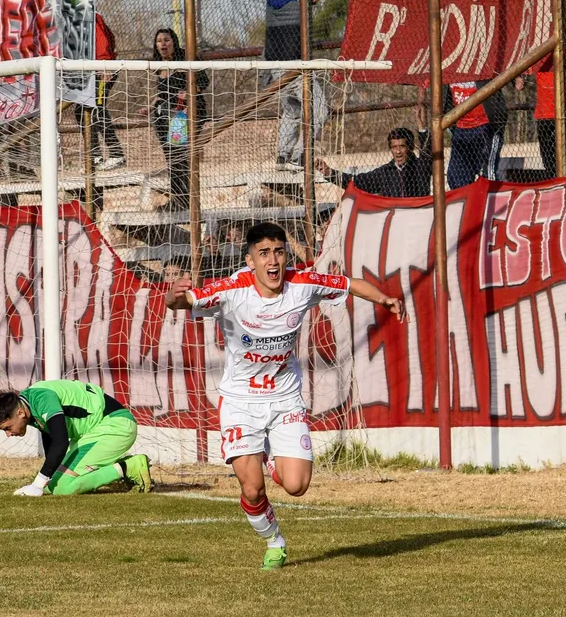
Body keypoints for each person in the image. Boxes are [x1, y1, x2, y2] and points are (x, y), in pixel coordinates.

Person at [164, 221, 405, 570]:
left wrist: (383, 298)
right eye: (263, 253)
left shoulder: (302, 283)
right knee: (252, 490)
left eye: (278, 252)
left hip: (285, 398)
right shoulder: (233, 290)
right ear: (250, 261)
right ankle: (274, 541)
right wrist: (174, 294)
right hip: (241, 401)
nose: (273, 260)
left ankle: (270, 459)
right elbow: (181, 302)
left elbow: (349, 284)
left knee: (297, 485)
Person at [0, 379, 151, 496]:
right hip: (100, 429)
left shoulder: (41, 399)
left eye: (7, 428)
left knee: (62, 487)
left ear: (20, 413)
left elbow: (60, 441)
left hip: (116, 425)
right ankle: (120, 468)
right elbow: (51, 438)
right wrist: (46, 479)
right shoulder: (29, 401)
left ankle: (130, 466)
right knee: (53, 485)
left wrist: (37, 484)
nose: (8, 434)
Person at [265, 0, 349, 170]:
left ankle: (282, 156)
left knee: (292, 111)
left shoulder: (272, 1)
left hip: (274, 68)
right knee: (319, 109)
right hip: (294, 67)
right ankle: (300, 155)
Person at [146, 28, 210, 210]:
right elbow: (164, 93)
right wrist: (151, 105)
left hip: (183, 114)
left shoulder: (186, 58)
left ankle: (185, 200)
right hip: (164, 114)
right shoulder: (160, 65)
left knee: (179, 154)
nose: (163, 44)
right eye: (159, 41)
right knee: (170, 155)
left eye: (166, 40)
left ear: (174, 42)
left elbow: (203, 82)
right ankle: (177, 198)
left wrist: (189, 93)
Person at [314, 105, 432, 197]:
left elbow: (427, 153)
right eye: (394, 147)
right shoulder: (385, 172)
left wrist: (421, 127)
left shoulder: (420, 167)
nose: (398, 151)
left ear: (410, 147)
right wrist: (329, 172)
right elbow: (357, 183)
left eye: (402, 146)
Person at [75, 13, 125, 171]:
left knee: (97, 108)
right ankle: (94, 155)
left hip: (102, 69)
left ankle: (116, 153)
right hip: (87, 71)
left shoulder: (89, 14)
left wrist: (105, 62)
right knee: (80, 110)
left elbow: (103, 38)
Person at [442, 81, 508, 187]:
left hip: (486, 124)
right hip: (461, 127)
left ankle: (488, 196)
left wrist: (518, 79)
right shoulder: (448, 72)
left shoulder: (483, 70)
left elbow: (505, 72)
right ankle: (466, 197)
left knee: (488, 173)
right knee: (455, 175)